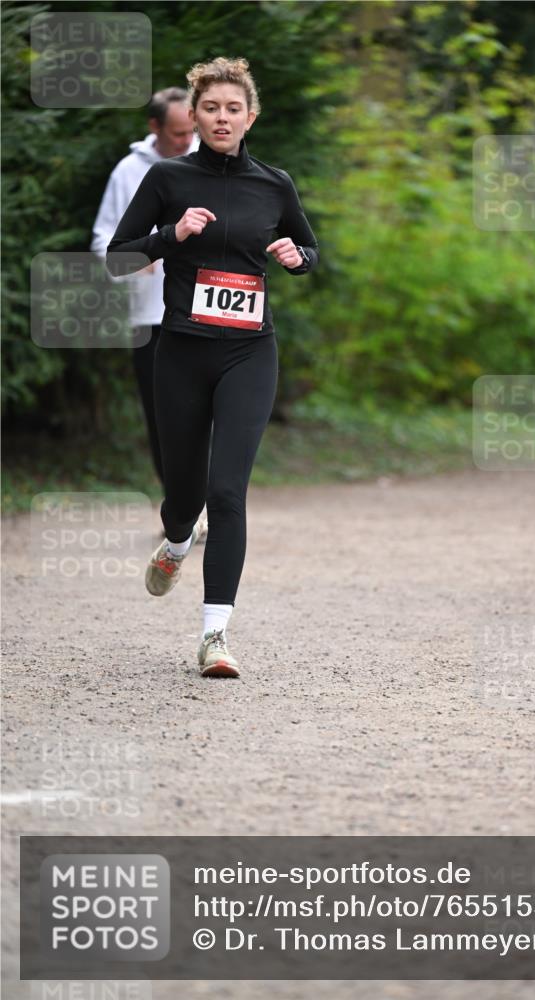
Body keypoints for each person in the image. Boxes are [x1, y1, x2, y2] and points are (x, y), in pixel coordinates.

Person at [107, 57, 318, 678]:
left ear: (250, 117)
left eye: (233, 109)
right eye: (211, 108)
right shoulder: (167, 178)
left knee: (227, 492)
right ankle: (176, 538)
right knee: (186, 495)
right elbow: (117, 258)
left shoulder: (275, 184)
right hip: (180, 353)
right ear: (194, 117)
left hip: (249, 352)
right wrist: (170, 235)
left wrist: (297, 257)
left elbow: (309, 249)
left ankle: (215, 635)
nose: (222, 118)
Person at [91, 88, 197, 486]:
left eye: (190, 131)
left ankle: (211, 498)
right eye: (177, 133)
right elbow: (103, 241)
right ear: (154, 126)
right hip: (150, 317)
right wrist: (137, 260)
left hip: (205, 310)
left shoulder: (210, 162)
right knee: (162, 415)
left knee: (208, 411)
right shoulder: (128, 172)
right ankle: (178, 504)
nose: (186, 141)